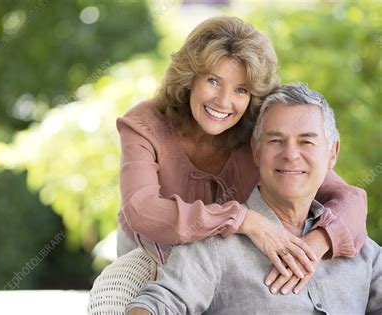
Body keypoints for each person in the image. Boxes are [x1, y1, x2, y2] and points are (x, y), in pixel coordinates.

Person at [117, 16, 367, 291]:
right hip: (151, 254)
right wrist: (243, 219)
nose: (223, 102)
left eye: (241, 89)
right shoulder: (144, 124)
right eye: (213, 81)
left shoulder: (258, 130)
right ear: (190, 77)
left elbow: (351, 199)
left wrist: (316, 244)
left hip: (227, 259)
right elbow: (142, 210)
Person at [125, 83, 382, 315]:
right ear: (256, 152)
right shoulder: (213, 248)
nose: (291, 155)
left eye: (306, 142)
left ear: (332, 153)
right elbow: (153, 307)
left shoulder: (362, 250)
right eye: (276, 140)